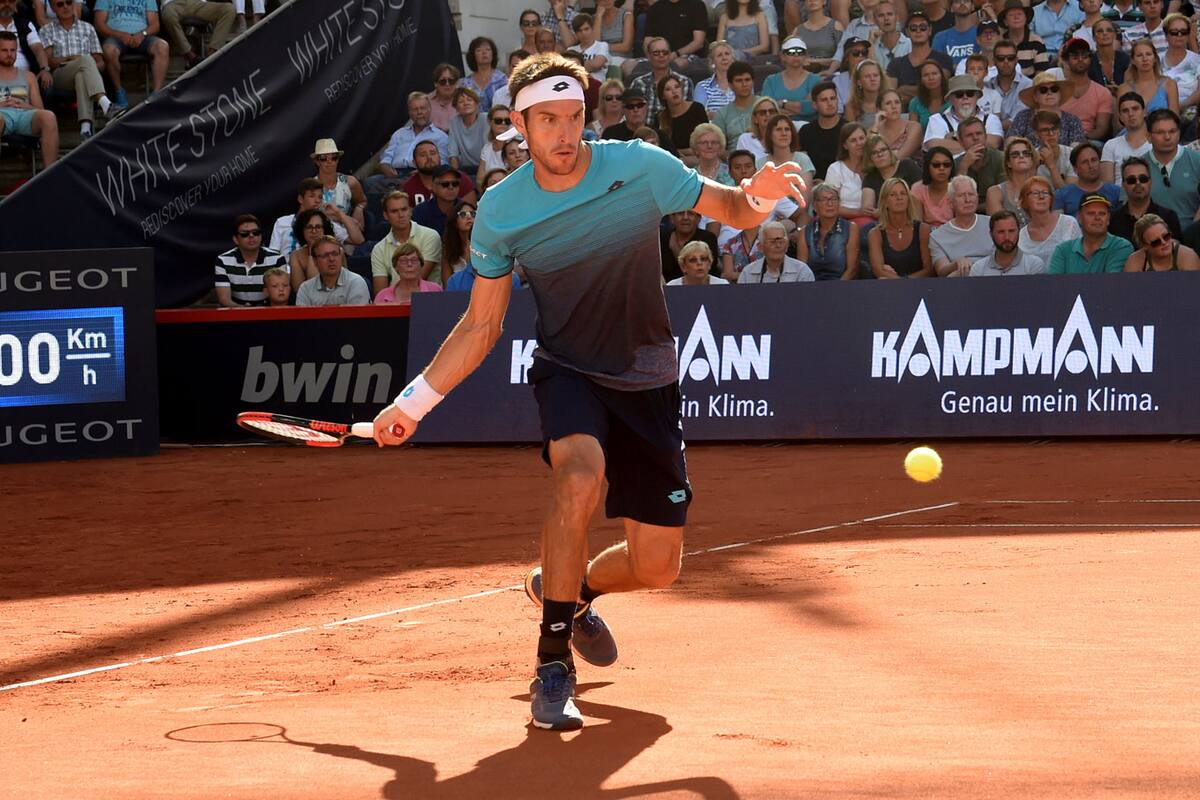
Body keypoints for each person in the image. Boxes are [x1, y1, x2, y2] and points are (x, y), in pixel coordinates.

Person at [371, 52, 806, 731]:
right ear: (519, 124)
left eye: (574, 117)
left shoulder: (639, 165)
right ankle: (552, 665)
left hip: (650, 378)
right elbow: (482, 325)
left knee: (658, 567)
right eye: (547, 120)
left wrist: (762, 195)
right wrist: (413, 402)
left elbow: (731, 209)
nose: (565, 133)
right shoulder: (504, 210)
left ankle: (566, 589)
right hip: (569, 367)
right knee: (578, 479)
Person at [39, 0, 118, 140]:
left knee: (81, 76)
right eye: (60, 4)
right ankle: (104, 102)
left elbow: (100, 63)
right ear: (52, 8)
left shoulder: (88, 28)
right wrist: (73, 59)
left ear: (74, 4)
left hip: (86, 75)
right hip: (60, 74)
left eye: (69, 2)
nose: (65, 7)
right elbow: (50, 61)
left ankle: (85, 129)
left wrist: (86, 64)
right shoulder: (46, 30)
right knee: (86, 60)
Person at [93, 0, 168, 102]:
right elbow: (99, 24)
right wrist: (119, 35)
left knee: (162, 46)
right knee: (109, 50)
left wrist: (142, 34)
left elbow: (155, 25)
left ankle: (156, 94)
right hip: (115, 37)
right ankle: (119, 91)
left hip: (142, 37)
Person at [0, 30, 57, 165]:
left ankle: (51, 174)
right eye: (4, 50)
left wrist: (23, 105)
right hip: (2, 115)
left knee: (48, 117)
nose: (9, 54)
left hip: (24, 115)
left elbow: (39, 109)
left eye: (13, 50)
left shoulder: (28, 76)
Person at [268, 178, 359, 261]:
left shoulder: (325, 223)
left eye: (320, 197)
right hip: (285, 273)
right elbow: (272, 254)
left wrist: (339, 213)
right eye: (312, 196)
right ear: (300, 199)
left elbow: (358, 240)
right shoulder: (282, 222)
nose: (317, 200)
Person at [371, 190, 442, 290]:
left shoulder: (430, 236)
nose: (400, 215)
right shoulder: (379, 249)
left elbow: (416, 281)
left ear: (410, 211)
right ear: (386, 215)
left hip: (430, 300)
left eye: (404, 209)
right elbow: (380, 293)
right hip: (395, 303)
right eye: (394, 211)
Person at [1046, 193, 1133, 273]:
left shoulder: (1121, 247)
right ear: (1079, 217)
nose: (1097, 218)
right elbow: (1054, 286)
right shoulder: (1063, 250)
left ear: (1108, 219)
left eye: (1102, 213)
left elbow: (1112, 283)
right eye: (1091, 213)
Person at [213, 214, 286, 307]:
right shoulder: (223, 261)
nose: (251, 236)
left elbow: (281, 296)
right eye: (245, 234)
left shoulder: (277, 259)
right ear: (235, 239)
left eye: (256, 232)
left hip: (269, 313)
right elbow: (224, 299)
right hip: (236, 314)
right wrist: (246, 313)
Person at [375, 92, 451, 180]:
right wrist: (385, 166)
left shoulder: (440, 136)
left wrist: (422, 172)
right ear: (410, 113)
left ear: (429, 109)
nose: (419, 112)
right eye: (415, 109)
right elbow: (387, 157)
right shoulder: (399, 133)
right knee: (370, 182)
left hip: (423, 175)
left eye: (422, 108)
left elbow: (443, 163)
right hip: (394, 174)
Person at [869, 176, 933, 276]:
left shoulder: (923, 230)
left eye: (903, 193)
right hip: (889, 286)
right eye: (893, 195)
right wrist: (899, 284)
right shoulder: (875, 234)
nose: (899, 198)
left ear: (908, 199)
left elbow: (929, 269)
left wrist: (905, 283)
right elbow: (878, 270)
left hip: (919, 286)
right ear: (885, 202)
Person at [887, 10, 953, 108]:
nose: (918, 31)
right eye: (913, 28)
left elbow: (939, 90)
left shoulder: (943, 59)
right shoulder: (895, 64)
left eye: (923, 27)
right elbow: (891, 96)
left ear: (930, 30)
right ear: (907, 32)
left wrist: (903, 89)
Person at [1145, 108, 1200, 224]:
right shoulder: (1139, 166)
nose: (1167, 137)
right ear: (1148, 136)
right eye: (1160, 132)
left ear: (1179, 133)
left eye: (1172, 131)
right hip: (1151, 236)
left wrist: (1193, 232)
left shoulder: (1197, 161)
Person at [930, 174, 993, 275]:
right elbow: (941, 272)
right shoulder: (937, 236)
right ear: (950, 202)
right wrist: (956, 263)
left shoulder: (993, 224)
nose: (968, 200)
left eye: (971, 194)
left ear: (977, 198)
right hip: (959, 280)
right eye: (961, 195)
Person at [1110, 155, 1181, 242]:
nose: (1138, 183)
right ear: (1123, 185)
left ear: (1150, 182)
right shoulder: (1112, 220)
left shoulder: (1168, 217)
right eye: (1131, 180)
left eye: (1143, 179)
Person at [797, 181, 860, 278]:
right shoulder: (804, 232)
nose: (830, 204)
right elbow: (802, 271)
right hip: (812, 287)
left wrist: (835, 290)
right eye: (824, 200)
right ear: (814, 205)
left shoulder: (851, 228)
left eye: (834, 199)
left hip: (841, 286)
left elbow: (852, 269)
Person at [1008, 72, 1086, 148]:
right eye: (1043, 90)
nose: (1049, 93)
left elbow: (1077, 148)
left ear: (1060, 94)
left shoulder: (1072, 120)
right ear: (1035, 97)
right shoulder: (1023, 117)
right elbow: (1011, 142)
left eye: (1054, 89)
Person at [1018, 174, 1080, 264]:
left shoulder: (1069, 223)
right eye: (1035, 193)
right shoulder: (1021, 236)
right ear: (1024, 200)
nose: (1041, 197)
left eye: (1045, 193)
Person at [1059, 38, 1113, 140]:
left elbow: (1102, 129)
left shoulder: (1102, 93)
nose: (1080, 59)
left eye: (1084, 55)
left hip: (1089, 142)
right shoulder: (1056, 90)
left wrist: (1081, 141)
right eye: (1075, 56)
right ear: (1066, 59)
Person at [295, 236, 371, 307]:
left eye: (335, 254)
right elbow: (303, 321)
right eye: (325, 255)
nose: (331, 259)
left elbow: (358, 319)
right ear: (315, 261)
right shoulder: (305, 289)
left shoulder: (356, 283)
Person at [629, 36, 693, 122]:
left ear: (670, 54)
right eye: (656, 53)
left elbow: (687, 115)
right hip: (645, 133)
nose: (661, 55)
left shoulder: (684, 82)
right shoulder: (638, 83)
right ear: (648, 56)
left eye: (665, 52)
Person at [967, 209, 1047, 275]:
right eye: (1001, 232)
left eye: (1011, 231)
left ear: (1018, 231)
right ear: (991, 234)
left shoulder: (1034, 265)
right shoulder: (979, 269)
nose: (1007, 237)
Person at [824, 121, 875, 224]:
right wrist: (858, 212)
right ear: (845, 146)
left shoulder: (875, 166)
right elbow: (829, 204)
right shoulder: (835, 169)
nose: (859, 143)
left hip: (872, 219)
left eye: (861, 138)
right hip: (841, 220)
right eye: (853, 140)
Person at [311, 138, 367, 231]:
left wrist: (359, 209)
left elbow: (362, 201)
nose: (329, 161)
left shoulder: (350, 182)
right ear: (317, 161)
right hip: (319, 234)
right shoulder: (310, 186)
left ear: (338, 160)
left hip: (347, 235)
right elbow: (307, 214)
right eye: (323, 158)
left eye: (334, 157)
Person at [158, 0, 233, 68]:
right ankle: (190, 56)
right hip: (173, 3)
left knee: (229, 9)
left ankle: (211, 55)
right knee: (168, 15)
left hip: (198, 3)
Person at [641, 0, 709, 74]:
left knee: (677, 63)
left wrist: (675, 54)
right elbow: (647, 39)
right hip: (659, 55)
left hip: (686, 55)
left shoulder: (697, 5)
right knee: (629, 64)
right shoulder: (655, 8)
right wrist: (651, 57)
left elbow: (698, 43)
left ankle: (667, 84)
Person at [762, 37, 822, 121]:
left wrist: (782, 104)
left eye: (800, 52)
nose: (796, 55)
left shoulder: (816, 80)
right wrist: (799, 107)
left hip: (808, 127)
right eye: (791, 52)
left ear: (805, 56)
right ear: (782, 56)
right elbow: (767, 108)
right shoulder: (770, 81)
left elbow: (811, 107)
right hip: (777, 126)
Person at [403, 140, 477, 208]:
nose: (429, 158)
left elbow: (470, 213)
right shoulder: (408, 187)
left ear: (439, 158)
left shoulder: (460, 178)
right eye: (423, 155)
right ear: (414, 163)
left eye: (433, 153)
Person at [1053, 142, 1120, 216]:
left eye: (1094, 160)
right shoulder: (1062, 195)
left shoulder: (1117, 192)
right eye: (1085, 162)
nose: (1091, 166)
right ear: (1075, 168)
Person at [603, 87, 675, 154]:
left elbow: (675, 161)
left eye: (640, 105)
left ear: (646, 107)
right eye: (630, 106)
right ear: (623, 110)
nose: (636, 110)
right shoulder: (611, 135)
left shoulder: (660, 136)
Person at [739, 220, 816, 281]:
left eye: (781, 242)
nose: (778, 245)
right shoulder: (748, 273)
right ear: (760, 247)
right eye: (772, 242)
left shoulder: (802, 271)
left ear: (787, 245)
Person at [1100, 91, 1151, 184]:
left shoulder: (1156, 143)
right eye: (1125, 111)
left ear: (1144, 112)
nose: (1131, 114)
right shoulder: (1111, 145)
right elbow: (1107, 186)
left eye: (1135, 109)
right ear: (1120, 117)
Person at [798, 80, 845, 178]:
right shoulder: (806, 132)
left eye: (833, 98)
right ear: (815, 105)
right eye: (824, 100)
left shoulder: (848, 129)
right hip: (813, 185)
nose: (829, 103)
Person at [1118, 38, 1178, 117]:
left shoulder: (1169, 84)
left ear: (1155, 58)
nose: (1145, 59)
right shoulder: (1124, 89)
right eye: (1139, 55)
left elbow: (1175, 119)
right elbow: (1120, 123)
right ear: (1133, 60)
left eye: (1148, 54)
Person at [862, 132, 921, 210]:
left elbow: (921, 194)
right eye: (874, 153)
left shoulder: (907, 165)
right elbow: (867, 207)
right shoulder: (870, 177)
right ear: (869, 159)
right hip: (884, 219)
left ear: (890, 151)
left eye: (883, 150)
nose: (880, 155)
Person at [758, 112, 817, 190]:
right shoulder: (760, 164)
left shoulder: (802, 160)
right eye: (778, 129)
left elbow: (805, 197)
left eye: (787, 129)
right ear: (770, 135)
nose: (783, 133)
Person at [1123, 212, 1200, 271]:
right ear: (1145, 246)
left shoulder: (1187, 256)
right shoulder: (1135, 261)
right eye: (1156, 242)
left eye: (1166, 236)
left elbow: (1192, 289)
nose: (1164, 242)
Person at [986, 136, 1036, 225]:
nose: (1021, 156)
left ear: (1032, 160)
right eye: (1015, 155)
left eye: (1026, 153)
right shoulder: (995, 192)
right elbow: (1000, 226)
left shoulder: (1044, 188)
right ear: (1008, 162)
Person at [953, 115, 1004, 202]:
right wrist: (963, 167)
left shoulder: (1000, 158)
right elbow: (955, 199)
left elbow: (1003, 195)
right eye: (969, 135)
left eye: (979, 133)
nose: (975, 138)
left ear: (985, 137)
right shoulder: (954, 163)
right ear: (960, 142)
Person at [657, 73, 708, 159]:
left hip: (698, 157)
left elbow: (705, 144)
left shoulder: (697, 109)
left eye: (677, 87)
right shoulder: (660, 117)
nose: (674, 91)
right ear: (663, 96)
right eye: (668, 89)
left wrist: (678, 152)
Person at [660, 208, 720, 281]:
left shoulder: (708, 238)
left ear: (698, 219)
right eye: (680, 213)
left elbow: (706, 271)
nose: (685, 217)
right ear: (672, 218)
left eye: (691, 214)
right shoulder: (661, 238)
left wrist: (676, 250)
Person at [1160, 14, 1200, 122]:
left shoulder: (1197, 60)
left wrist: (1180, 105)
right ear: (1166, 35)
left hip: (1190, 110)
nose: (1179, 35)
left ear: (1188, 35)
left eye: (1183, 32)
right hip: (1160, 111)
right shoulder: (1155, 61)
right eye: (1174, 32)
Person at [374, 243, 443, 304]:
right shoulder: (382, 296)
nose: (409, 264)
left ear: (421, 265)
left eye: (414, 260)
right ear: (395, 267)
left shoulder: (435, 290)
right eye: (404, 261)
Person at [986, 38, 1031, 128]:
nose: (1006, 62)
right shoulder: (986, 86)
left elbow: (1017, 120)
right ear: (994, 61)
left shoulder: (1028, 85)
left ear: (1016, 60)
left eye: (1010, 58)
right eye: (1000, 58)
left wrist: (992, 127)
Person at [286, 208, 333, 293]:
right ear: (302, 231)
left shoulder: (337, 251)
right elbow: (298, 289)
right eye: (309, 227)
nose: (314, 231)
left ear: (324, 229)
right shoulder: (296, 256)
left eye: (318, 227)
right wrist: (312, 252)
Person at [711, 60, 759, 143]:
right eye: (739, 81)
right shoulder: (722, 114)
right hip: (734, 154)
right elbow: (718, 147)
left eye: (747, 80)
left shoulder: (765, 105)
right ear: (730, 85)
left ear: (753, 82)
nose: (744, 84)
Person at [791, 0, 843, 74]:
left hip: (831, 73)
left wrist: (813, 61)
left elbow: (842, 55)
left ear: (824, 1)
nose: (812, 1)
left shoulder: (836, 26)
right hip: (804, 73)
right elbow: (793, 57)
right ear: (804, 3)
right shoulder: (797, 30)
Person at [998, 0, 1048, 77]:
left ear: (1026, 19)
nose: (1016, 17)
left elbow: (1041, 73)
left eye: (1019, 14)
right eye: (1011, 15)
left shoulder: (1037, 42)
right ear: (1005, 22)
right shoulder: (999, 42)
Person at [870, 88, 922, 160]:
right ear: (879, 109)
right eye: (888, 103)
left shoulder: (913, 127)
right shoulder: (873, 131)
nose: (894, 107)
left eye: (897, 102)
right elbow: (868, 156)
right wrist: (875, 127)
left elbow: (901, 156)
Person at [912, 144, 954, 225]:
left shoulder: (957, 188)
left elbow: (962, 224)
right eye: (936, 165)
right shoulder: (918, 189)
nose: (942, 168)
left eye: (946, 164)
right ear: (927, 167)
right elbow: (917, 224)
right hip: (926, 234)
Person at [462, 36, 507, 113]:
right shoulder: (466, 82)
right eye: (479, 50)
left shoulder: (502, 79)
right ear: (473, 56)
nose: (484, 53)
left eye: (488, 50)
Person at [439, 199, 477, 287]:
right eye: (463, 214)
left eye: (473, 214)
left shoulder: (488, 245)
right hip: (458, 296)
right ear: (455, 222)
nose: (469, 217)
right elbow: (447, 286)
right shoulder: (448, 251)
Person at [931, 0, 979, 68]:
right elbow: (935, 67)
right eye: (957, 1)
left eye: (966, 1)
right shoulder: (940, 37)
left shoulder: (981, 34)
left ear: (973, 6)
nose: (962, 4)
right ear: (951, 8)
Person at [693, 39, 736, 115]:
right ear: (712, 62)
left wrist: (714, 114)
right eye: (719, 55)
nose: (724, 58)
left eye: (727, 54)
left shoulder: (743, 82)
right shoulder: (702, 86)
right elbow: (698, 115)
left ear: (732, 59)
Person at [1088, 17, 1128, 92]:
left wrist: (1120, 90)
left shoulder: (1125, 59)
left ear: (1115, 35)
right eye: (1100, 31)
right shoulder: (1089, 61)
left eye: (1109, 30)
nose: (1105, 33)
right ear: (1094, 37)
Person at [870, 1, 910, 73]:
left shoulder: (910, 44)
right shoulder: (872, 47)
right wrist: (870, 43)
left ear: (897, 17)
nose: (886, 18)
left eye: (890, 14)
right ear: (875, 20)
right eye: (881, 15)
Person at [479, 104, 515, 185]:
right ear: (489, 121)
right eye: (498, 121)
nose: (503, 123)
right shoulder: (487, 148)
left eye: (507, 121)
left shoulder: (516, 146)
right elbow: (480, 181)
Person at [845, 58, 887, 125]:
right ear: (859, 82)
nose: (872, 79)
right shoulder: (852, 106)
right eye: (867, 76)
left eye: (875, 75)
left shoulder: (890, 101)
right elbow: (852, 134)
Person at [908, 59, 948, 127]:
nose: (931, 78)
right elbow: (913, 130)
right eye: (926, 75)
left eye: (934, 74)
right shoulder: (915, 103)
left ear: (941, 76)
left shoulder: (953, 98)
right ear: (921, 80)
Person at [594, 0, 633, 67]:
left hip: (622, 58)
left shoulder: (626, 15)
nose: (607, 1)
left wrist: (602, 47)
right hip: (600, 59)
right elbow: (595, 44)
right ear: (597, 2)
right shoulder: (594, 19)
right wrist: (598, 17)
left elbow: (626, 46)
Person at [572, 13, 610, 83]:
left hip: (597, 85)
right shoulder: (571, 50)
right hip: (577, 85)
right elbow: (568, 71)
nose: (583, 33)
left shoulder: (602, 46)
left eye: (586, 29)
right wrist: (590, 66)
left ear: (592, 29)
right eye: (580, 31)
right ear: (575, 34)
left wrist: (575, 66)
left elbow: (596, 64)